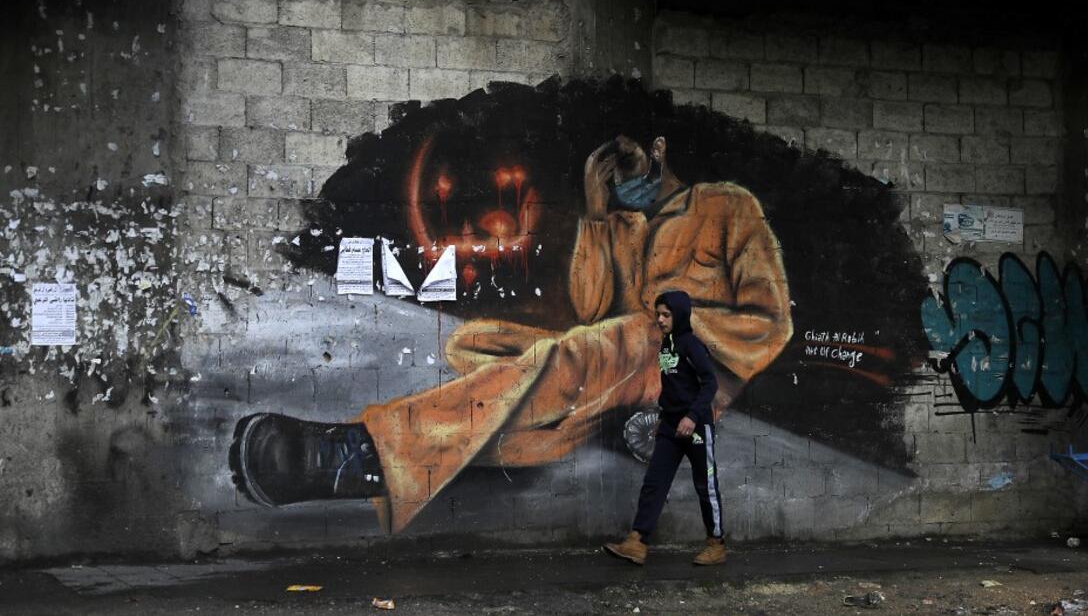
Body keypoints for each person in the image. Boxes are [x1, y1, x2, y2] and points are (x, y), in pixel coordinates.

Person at [229, 133, 792, 538]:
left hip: (687, 366)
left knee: (603, 346)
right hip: (619, 362)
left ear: (660, 150)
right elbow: (591, 307)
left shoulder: (726, 206)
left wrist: (676, 327)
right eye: (610, 174)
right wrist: (598, 216)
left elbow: (772, 320)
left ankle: (362, 455)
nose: (624, 180)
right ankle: (598, 423)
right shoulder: (622, 223)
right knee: (476, 343)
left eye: (628, 162)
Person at [603, 290, 726, 566]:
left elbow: (710, 383)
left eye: (666, 315)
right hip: (671, 426)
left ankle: (716, 544)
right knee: (654, 483)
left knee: (705, 485)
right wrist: (664, 415)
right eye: (658, 314)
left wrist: (692, 417)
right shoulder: (667, 346)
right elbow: (672, 386)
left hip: (695, 427)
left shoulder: (692, 346)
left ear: (679, 315)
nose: (660, 319)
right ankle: (637, 541)